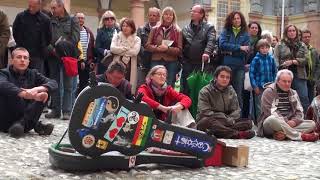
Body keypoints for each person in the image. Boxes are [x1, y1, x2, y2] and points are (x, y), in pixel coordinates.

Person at [0, 48, 58, 138]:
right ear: (12, 60)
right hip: (6, 118)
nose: (22, 60)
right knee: (13, 92)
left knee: (44, 94)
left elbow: (53, 83)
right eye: (19, 57)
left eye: (25, 58)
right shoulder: (3, 73)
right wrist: (24, 94)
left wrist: (37, 89)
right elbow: (2, 84)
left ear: (28, 61)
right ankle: (35, 125)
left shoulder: (33, 73)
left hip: (20, 123)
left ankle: (22, 124)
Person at [257, 69, 318, 142]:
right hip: (272, 124)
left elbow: (300, 111)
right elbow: (270, 112)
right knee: (272, 119)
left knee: (312, 123)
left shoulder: (293, 92)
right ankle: (300, 136)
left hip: (290, 123)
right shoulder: (269, 92)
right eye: (284, 81)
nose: (287, 84)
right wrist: (286, 122)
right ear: (277, 81)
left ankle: (282, 134)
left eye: (289, 81)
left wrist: (294, 121)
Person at [196, 66, 255, 139]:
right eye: (222, 76)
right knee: (207, 122)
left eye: (227, 77)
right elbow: (205, 112)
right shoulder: (205, 91)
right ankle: (237, 134)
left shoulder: (231, 91)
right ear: (215, 77)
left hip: (227, 121)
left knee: (248, 123)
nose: (225, 79)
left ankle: (221, 132)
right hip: (211, 120)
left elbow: (236, 110)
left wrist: (230, 119)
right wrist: (225, 119)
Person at [45, 0, 80, 120]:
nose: (52, 10)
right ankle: (55, 110)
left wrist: (62, 47)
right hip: (53, 56)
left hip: (67, 56)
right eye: (51, 8)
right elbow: (45, 38)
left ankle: (66, 111)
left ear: (61, 7)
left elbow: (75, 39)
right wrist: (52, 49)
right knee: (54, 83)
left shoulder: (73, 20)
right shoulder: (50, 20)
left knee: (68, 85)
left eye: (54, 8)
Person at [181, 4, 216, 95]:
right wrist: (182, 59)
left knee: (201, 88)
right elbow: (181, 45)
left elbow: (211, 40)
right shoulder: (185, 29)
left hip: (202, 63)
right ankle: (185, 108)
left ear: (201, 15)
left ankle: (199, 109)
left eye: (194, 11)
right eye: (191, 11)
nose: (192, 13)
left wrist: (207, 52)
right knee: (186, 87)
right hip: (188, 63)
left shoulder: (209, 27)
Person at [218, 11, 250, 111]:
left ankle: (237, 117)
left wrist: (230, 51)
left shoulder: (245, 33)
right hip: (226, 65)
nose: (236, 20)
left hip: (239, 66)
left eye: (238, 18)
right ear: (231, 20)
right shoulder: (225, 31)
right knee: (224, 90)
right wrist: (239, 47)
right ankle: (223, 114)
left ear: (241, 20)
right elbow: (222, 45)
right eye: (234, 18)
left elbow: (246, 51)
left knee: (238, 92)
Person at [274, 25, 309, 112]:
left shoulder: (302, 45)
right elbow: (275, 59)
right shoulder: (280, 45)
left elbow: (306, 59)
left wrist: (293, 61)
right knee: (285, 98)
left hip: (299, 74)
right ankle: (286, 118)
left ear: (296, 32)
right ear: (286, 32)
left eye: (293, 30)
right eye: (289, 31)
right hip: (284, 75)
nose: (292, 32)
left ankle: (304, 118)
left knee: (303, 97)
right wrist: (280, 68)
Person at [145, 6, 182, 87]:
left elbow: (179, 50)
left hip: (171, 62)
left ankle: (167, 99)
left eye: (170, 15)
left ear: (173, 17)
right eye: (166, 14)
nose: (168, 16)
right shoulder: (154, 29)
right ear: (162, 16)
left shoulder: (178, 31)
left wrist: (167, 49)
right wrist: (157, 48)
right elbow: (147, 45)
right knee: (154, 83)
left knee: (169, 84)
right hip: (156, 60)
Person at [13, 0, 51, 74]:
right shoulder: (20, 16)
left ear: (39, 5)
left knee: (36, 76)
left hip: (38, 55)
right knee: (20, 75)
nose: (31, 9)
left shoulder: (45, 19)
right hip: (22, 52)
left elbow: (48, 37)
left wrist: (43, 46)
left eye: (33, 7)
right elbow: (15, 32)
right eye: (29, 6)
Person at [249, 39, 277, 123]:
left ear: (269, 48)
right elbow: (251, 74)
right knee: (259, 105)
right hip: (259, 87)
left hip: (270, 86)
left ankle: (267, 122)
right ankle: (259, 123)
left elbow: (275, 71)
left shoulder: (271, 59)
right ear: (258, 49)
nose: (264, 50)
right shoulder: (256, 59)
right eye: (262, 48)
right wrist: (255, 86)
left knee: (269, 105)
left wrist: (274, 84)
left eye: (266, 47)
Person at [110, 17, 141, 94]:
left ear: (132, 27)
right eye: (123, 26)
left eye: (127, 26)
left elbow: (134, 52)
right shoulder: (117, 36)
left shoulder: (137, 39)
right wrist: (126, 49)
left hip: (130, 64)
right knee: (114, 83)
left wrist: (120, 50)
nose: (125, 28)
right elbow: (113, 49)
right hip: (117, 62)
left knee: (128, 85)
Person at [242, 21, 262, 119]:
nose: (254, 29)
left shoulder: (261, 41)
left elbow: (263, 56)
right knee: (245, 94)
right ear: (248, 29)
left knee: (257, 96)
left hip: (257, 71)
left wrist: (252, 65)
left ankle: (257, 119)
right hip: (245, 70)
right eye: (252, 27)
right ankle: (245, 118)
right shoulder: (244, 40)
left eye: (256, 28)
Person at [75, 12, 95, 94]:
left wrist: (92, 60)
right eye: (78, 18)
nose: (80, 19)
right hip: (75, 61)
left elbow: (92, 47)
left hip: (86, 62)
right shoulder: (72, 31)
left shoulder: (89, 32)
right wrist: (80, 60)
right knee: (73, 83)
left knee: (84, 83)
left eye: (82, 18)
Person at [137, 7, 161, 72]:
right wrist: (145, 54)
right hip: (144, 60)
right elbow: (138, 45)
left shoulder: (161, 29)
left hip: (157, 59)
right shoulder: (141, 29)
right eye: (150, 15)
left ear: (158, 17)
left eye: (154, 15)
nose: (151, 17)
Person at [95, 10, 119, 74]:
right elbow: (97, 48)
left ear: (115, 20)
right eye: (107, 19)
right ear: (103, 21)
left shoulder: (119, 31)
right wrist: (106, 52)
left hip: (117, 60)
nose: (109, 20)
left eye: (112, 18)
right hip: (104, 61)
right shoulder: (100, 31)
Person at [300, 29, 320, 102]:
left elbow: (318, 65)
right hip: (302, 78)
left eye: (309, 37)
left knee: (311, 99)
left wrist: (315, 77)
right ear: (301, 38)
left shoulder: (313, 50)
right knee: (303, 98)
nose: (307, 38)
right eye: (305, 37)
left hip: (311, 79)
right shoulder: (299, 49)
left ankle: (310, 113)